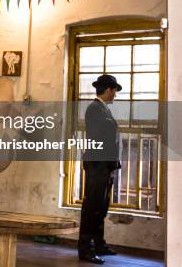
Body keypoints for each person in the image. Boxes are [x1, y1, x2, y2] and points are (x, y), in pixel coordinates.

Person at [78, 74, 122, 264]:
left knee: (101, 207)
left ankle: (99, 243)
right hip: (97, 165)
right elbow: (100, 139)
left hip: (104, 165)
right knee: (92, 207)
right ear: (108, 90)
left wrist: (113, 163)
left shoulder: (102, 109)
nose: (115, 95)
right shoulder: (95, 109)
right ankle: (86, 249)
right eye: (114, 91)